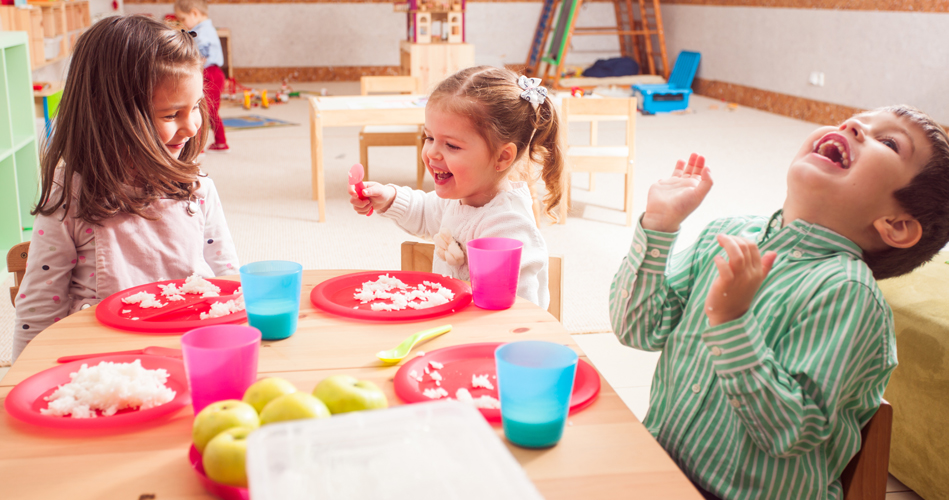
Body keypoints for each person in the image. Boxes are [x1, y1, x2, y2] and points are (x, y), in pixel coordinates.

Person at [609, 106, 949, 500]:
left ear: (896, 224)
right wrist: (659, 225)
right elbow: (638, 329)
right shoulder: (726, 233)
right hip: (658, 467)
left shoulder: (849, 295)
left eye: (889, 143)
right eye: (855, 121)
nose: (853, 126)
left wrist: (731, 324)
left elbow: (789, 431)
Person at [12, 15, 239, 361]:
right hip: (103, 362)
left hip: (189, 352)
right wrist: (23, 375)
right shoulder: (70, 193)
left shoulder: (197, 187)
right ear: (110, 115)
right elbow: (40, 306)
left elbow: (227, 280)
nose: (192, 125)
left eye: (195, 107)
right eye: (171, 114)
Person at [349, 66, 563, 309]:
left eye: (451, 145)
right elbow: (425, 211)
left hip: (493, 339)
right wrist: (389, 198)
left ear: (502, 157)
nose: (431, 153)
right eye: (429, 138)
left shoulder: (507, 226)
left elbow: (519, 314)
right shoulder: (463, 197)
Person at [174, 0, 228, 152]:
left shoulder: (201, 31)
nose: (183, 23)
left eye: (183, 19)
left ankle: (197, 147)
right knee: (210, 111)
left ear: (194, 13)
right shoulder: (208, 29)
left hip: (208, 74)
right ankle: (220, 142)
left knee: (201, 111)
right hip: (214, 73)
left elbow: (202, 53)